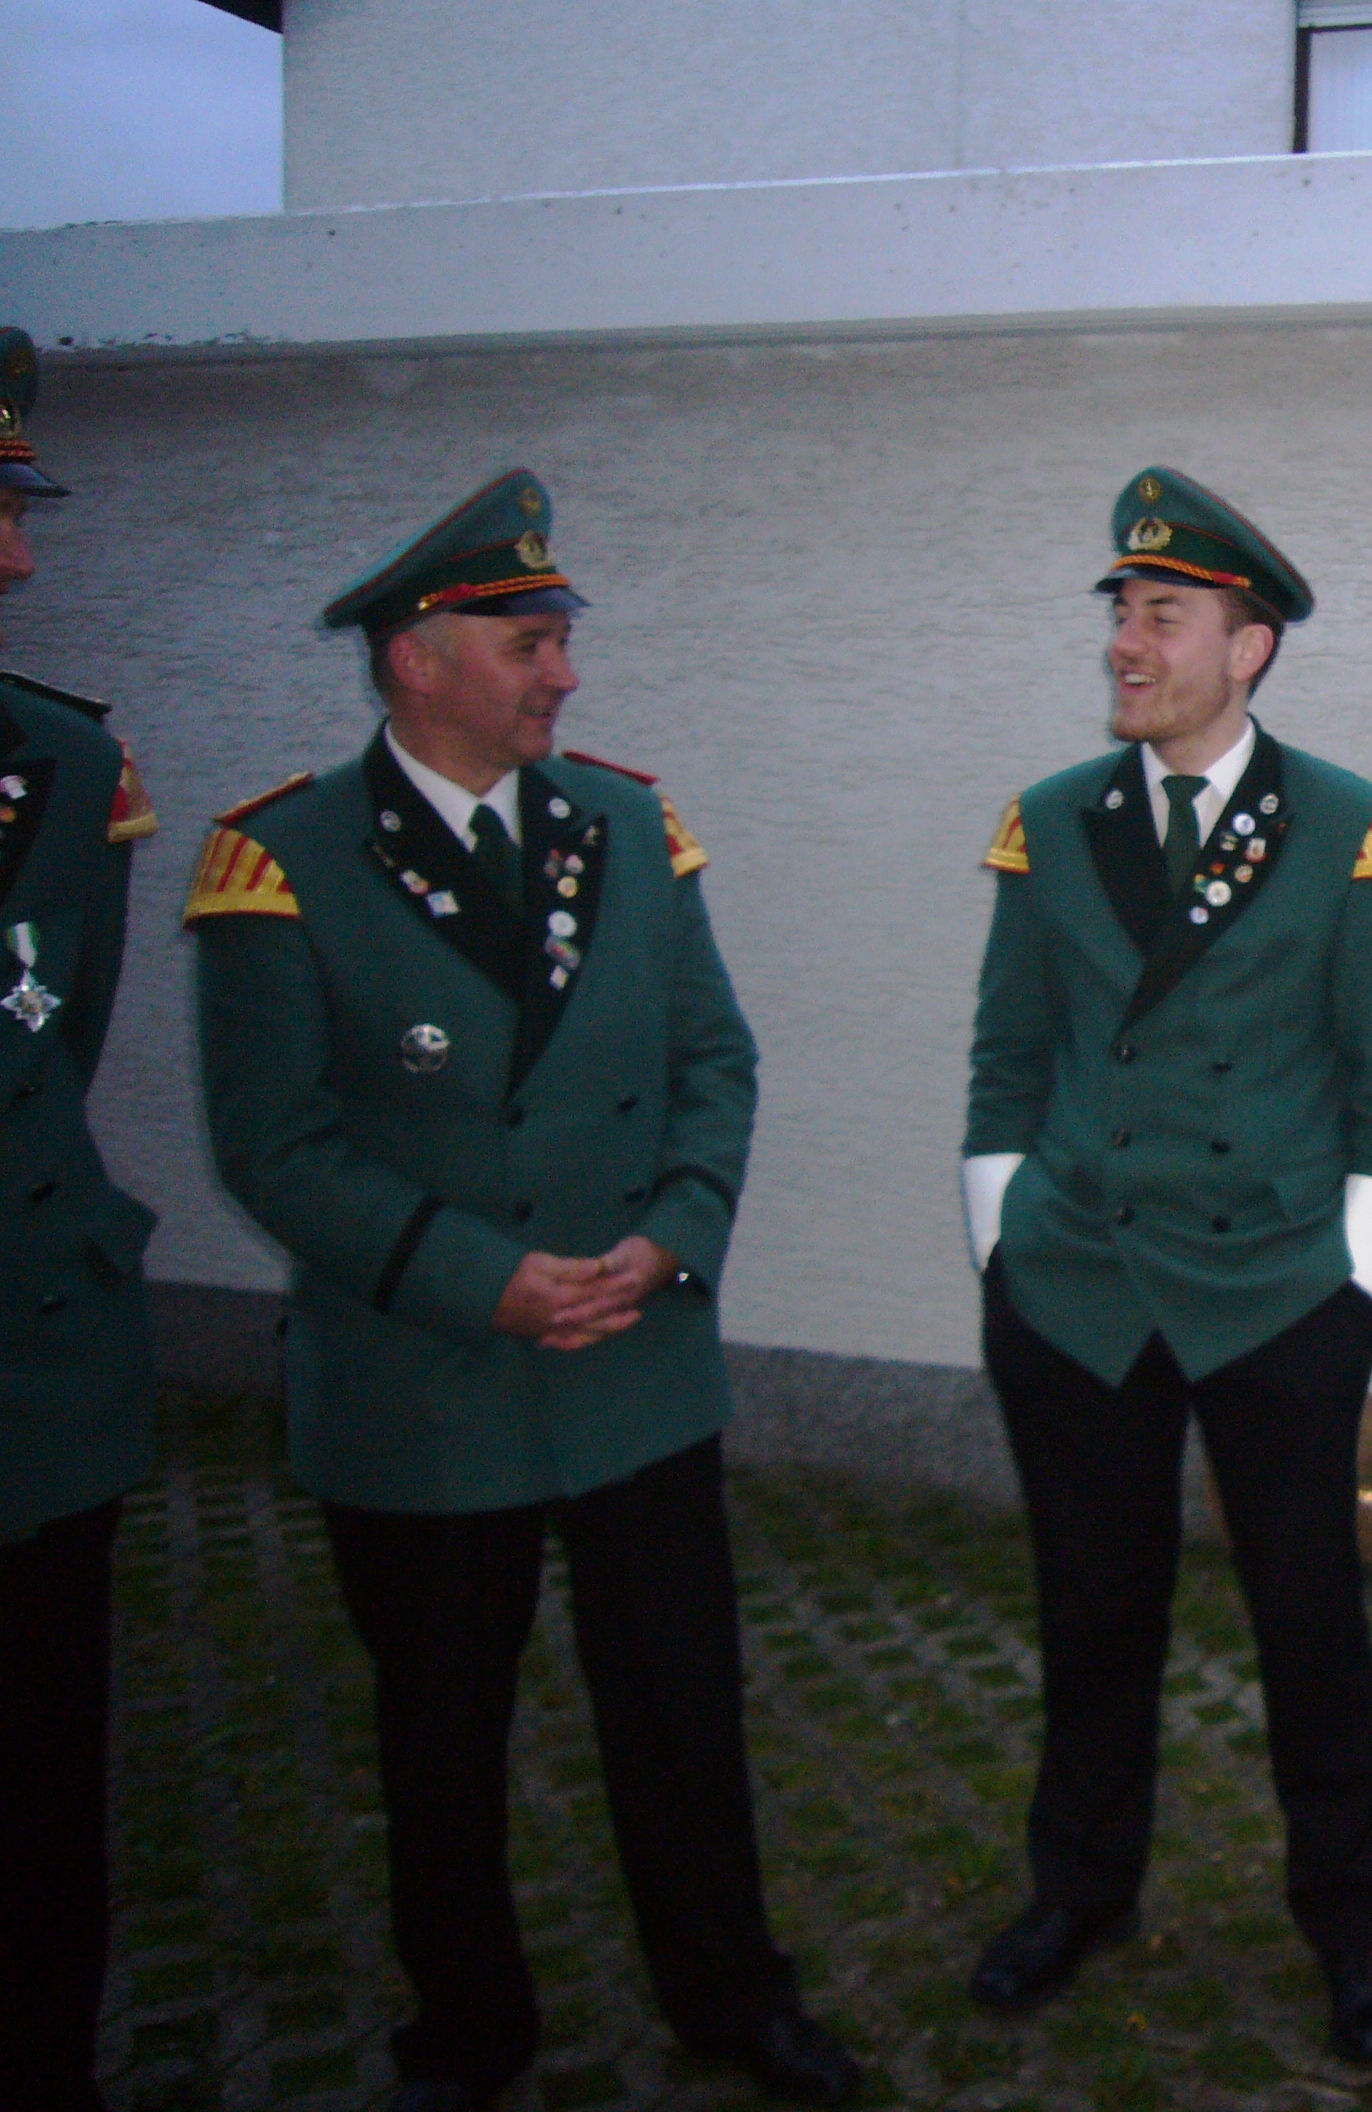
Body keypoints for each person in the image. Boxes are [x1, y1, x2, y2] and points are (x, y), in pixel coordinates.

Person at [186, 472, 857, 2112]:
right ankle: (469, 2028)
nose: (565, 672)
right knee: (440, 1736)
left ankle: (731, 1994)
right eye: (530, 643)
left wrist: (674, 1238)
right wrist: (486, 1282)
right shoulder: (281, 862)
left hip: (634, 1356)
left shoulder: (628, 827)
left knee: (682, 1713)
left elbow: (714, 1064)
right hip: (429, 1380)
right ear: (419, 659)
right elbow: (275, 1147)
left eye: (562, 638)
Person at [959, 466, 1372, 2065]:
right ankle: (1080, 1890)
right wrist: (1004, 1252)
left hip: (1272, 1295)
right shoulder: (1051, 823)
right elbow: (1007, 1057)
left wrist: (1353, 1293)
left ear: (1249, 649)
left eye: (1162, 614)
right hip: (1080, 1289)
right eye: (1121, 609)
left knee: (1312, 1632)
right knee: (1093, 1616)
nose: (1126, 639)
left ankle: (1358, 1926)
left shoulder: (1348, 826)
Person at [0, 325, 161, 2112]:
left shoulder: (57, 769)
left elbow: (55, 1061)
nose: (21, 558)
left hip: (39, 1387)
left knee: (46, 1816)